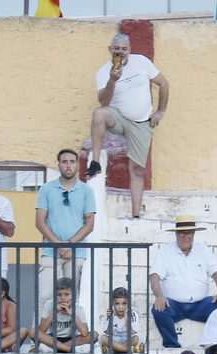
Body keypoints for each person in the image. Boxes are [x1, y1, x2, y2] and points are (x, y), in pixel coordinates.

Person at [87, 33, 169, 219]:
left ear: (130, 50)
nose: (120, 52)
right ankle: (95, 161)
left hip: (141, 122)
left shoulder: (141, 62)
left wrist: (160, 111)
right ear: (110, 50)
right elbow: (103, 102)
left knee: (138, 170)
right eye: (117, 48)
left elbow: (163, 83)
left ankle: (135, 215)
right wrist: (112, 80)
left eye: (124, 49)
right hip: (118, 118)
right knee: (98, 114)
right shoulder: (104, 71)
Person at [149, 215, 217, 350]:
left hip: (201, 305)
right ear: (176, 234)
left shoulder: (203, 250)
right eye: (182, 233)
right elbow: (154, 276)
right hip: (174, 305)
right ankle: (172, 346)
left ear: (194, 234)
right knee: (158, 310)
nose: (186, 237)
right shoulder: (165, 251)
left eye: (189, 233)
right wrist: (159, 296)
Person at [35, 149, 97, 311]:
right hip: (50, 251)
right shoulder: (46, 189)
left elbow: (89, 224)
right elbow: (40, 222)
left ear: (77, 165)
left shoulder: (86, 191)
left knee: (71, 299)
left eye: (72, 162)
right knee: (45, 297)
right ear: (59, 165)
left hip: (76, 252)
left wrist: (70, 244)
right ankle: (40, 336)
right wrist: (59, 245)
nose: (68, 166)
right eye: (64, 162)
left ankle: (69, 336)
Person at [34, 277, 92, 354]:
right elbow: (42, 330)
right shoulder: (49, 304)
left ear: (73, 296)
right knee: (33, 332)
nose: (63, 298)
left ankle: (58, 349)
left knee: (93, 335)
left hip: (71, 340)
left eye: (67, 294)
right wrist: (54, 312)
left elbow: (85, 333)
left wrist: (71, 314)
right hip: (53, 339)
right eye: (59, 295)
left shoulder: (79, 309)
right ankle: (67, 349)